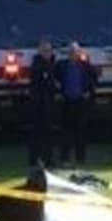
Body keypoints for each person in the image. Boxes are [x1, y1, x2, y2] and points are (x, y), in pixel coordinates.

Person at [55, 41, 98, 165]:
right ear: (68, 54)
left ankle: (81, 158)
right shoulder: (61, 66)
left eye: (75, 52)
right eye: (71, 52)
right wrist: (58, 92)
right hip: (66, 102)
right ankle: (65, 158)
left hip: (81, 102)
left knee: (81, 131)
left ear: (79, 53)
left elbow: (94, 78)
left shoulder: (85, 66)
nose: (73, 54)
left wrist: (89, 92)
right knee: (66, 131)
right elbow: (53, 79)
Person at [28, 39, 59, 167]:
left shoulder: (49, 63)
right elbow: (44, 82)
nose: (49, 53)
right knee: (38, 134)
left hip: (47, 103)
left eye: (50, 50)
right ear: (40, 51)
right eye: (46, 51)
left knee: (48, 133)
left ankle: (48, 158)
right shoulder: (38, 65)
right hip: (39, 104)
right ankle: (36, 159)